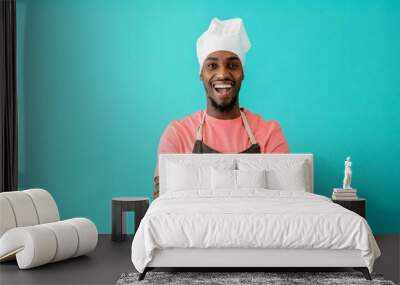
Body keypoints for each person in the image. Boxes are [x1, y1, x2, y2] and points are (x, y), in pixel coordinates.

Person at [153, 18, 289, 198]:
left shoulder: (269, 133)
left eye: (233, 65)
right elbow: (162, 203)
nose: (223, 73)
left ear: (243, 74)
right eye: (212, 65)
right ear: (201, 74)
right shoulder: (177, 134)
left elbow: (286, 200)